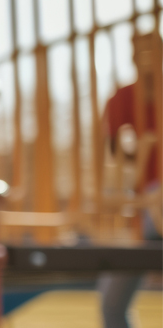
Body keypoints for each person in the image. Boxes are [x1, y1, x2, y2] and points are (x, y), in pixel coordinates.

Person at [97, 31, 161, 328]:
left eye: (152, 52)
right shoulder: (124, 97)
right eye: (139, 53)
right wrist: (140, 155)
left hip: (152, 203)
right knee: (111, 304)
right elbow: (113, 146)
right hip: (145, 203)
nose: (145, 60)